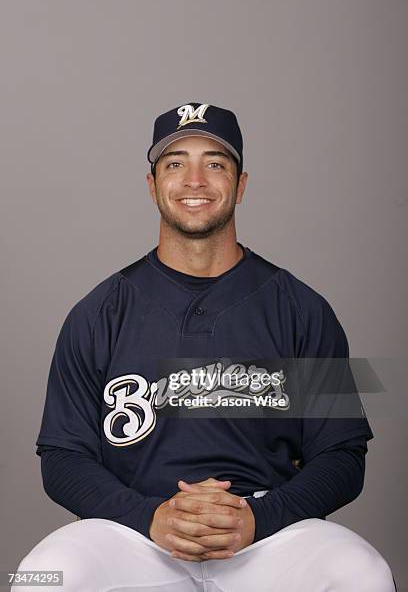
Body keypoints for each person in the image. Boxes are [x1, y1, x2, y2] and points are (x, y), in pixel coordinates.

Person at [13, 102, 396, 591]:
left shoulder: (301, 308)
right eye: (175, 163)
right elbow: (61, 457)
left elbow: (343, 454)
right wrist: (151, 516)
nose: (195, 179)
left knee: (363, 576)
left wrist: (258, 518)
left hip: (268, 532)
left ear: (241, 184)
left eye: (215, 163)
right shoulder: (99, 313)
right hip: (136, 533)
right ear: (152, 185)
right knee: (41, 579)